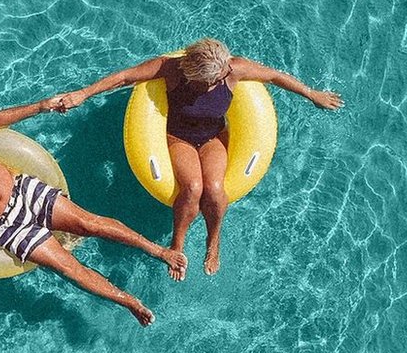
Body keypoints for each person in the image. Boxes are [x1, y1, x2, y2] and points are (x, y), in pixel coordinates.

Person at [51, 38, 343, 281]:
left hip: (213, 138)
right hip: (179, 138)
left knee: (215, 189)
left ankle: (212, 241)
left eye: (219, 77)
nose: (219, 81)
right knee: (192, 187)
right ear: (193, 75)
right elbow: (125, 77)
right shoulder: (171, 70)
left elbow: (275, 76)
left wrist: (311, 93)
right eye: (211, 81)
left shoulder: (233, 70)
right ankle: (177, 244)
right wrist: (83, 93)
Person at [0, 97, 187, 326]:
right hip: (7, 228)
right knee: (68, 269)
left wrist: (41, 106)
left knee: (88, 223)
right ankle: (129, 302)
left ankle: (159, 251)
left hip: (23, 189)